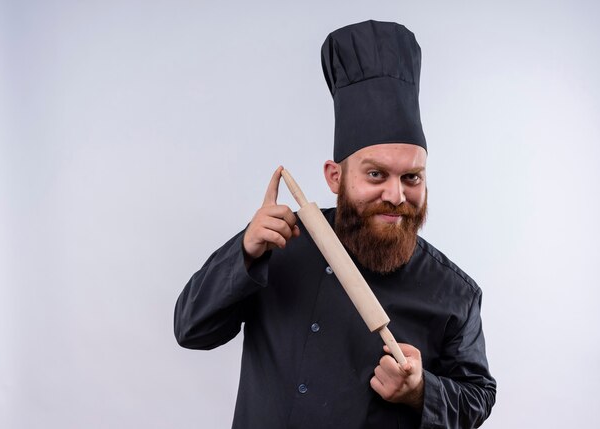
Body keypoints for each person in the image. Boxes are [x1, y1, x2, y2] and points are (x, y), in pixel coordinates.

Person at [174, 20, 496, 428]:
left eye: (411, 177)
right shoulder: (280, 243)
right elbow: (190, 330)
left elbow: (477, 397)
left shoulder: (456, 294)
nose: (396, 195)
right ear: (335, 177)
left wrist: (422, 391)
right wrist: (245, 253)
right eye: (376, 174)